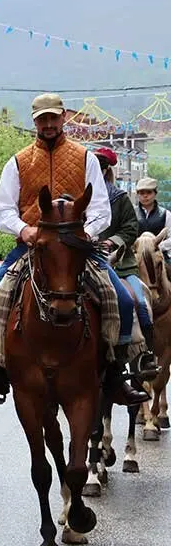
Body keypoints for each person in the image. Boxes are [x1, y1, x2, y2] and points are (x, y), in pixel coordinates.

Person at [0, 93, 146, 405]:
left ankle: (116, 371)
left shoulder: (85, 158)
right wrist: (24, 229)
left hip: (79, 249)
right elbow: (3, 211)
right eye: (43, 119)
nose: (49, 124)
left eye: (54, 117)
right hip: (33, 247)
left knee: (120, 298)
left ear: (64, 117)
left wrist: (84, 234)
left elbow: (100, 211)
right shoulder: (18, 162)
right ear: (35, 121)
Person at [95, 148, 159, 384]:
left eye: (96, 168)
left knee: (139, 302)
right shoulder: (77, 196)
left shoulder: (119, 198)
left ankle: (145, 356)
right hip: (84, 262)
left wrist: (112, 242)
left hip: (121, 265)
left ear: (104, 170)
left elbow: (131, 228)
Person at [134, 177, 171, 254]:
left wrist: (157, 246)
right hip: (135, 256)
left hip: (160, 255)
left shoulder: (166, 214)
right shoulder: (131, 213)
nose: (145, 196)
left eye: (149, 192)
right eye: (142, 193)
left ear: (155, 193)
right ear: (137, 194)